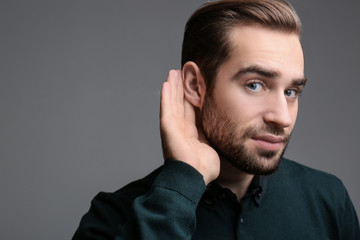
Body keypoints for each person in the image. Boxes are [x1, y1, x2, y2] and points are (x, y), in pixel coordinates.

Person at [72, 0, 360, 239]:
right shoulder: (113, 218)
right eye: (255, 85)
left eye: (291, 91)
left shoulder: (329, 201)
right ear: (196, 86)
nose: (282, 117)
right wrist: (180, 186)